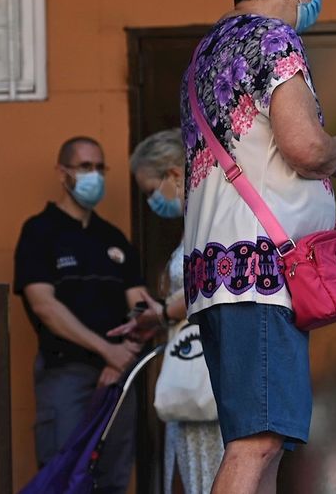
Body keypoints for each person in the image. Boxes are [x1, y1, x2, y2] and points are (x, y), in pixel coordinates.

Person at [181, 0, 336, 494]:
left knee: (261, 442)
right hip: (259, 272)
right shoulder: (272, 40)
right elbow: (303, 145)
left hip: (216, 273)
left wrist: (331, 160)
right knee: (259, 441)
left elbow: (264, 149)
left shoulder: (208, 50)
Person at [12, 136, 158, 494]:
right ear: (63, 173)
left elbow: (142, 306)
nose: (94, 176)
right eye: (84, 167)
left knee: (112, 476)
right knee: (64, 471)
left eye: (99, 168)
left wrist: (123, 353)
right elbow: (44, 306)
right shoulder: (39, 232)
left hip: (118, 376)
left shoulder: (114, 238)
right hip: (67, 373)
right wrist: (105, 349)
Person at [128, 128, 223, 493]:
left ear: (172, 173)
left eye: (152, 190)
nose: (153, 200)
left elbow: (210, 279)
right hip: (190, 366)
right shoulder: (196, 220)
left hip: (206, 368)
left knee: (211, 469)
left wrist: (164, 312)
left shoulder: (210, 213)